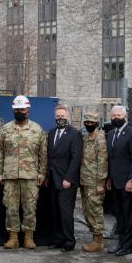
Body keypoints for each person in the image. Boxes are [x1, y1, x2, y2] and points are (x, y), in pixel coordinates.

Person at [0, 95, 46, 250]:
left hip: (31, 176)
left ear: (28, 110)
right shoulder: (5, 129)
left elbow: (43, 154)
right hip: (10, 176)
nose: (19, 112)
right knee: (11, 208)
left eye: (22, 109)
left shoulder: (37, 130)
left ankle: (29, 238)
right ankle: (13, 238)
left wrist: (42, 174)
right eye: (16, 110)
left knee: (30, 207)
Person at [46, 105, 82, 252]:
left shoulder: (75, 134)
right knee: (55, 211)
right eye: (58, 116)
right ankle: (58, 239)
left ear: (68, 117)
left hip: (66, 180)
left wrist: (69, 178)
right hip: (53, 179)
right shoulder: (52, 132)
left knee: (65, 212)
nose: (60, 118)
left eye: (63, 116)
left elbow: (76, 158)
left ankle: (69, 241)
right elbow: (50, 156)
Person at [106, 105, 132, 257]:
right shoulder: (111, 133)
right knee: (119, 214)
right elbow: (111, 159)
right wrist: (109, 178)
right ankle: (121, 243)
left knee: (128, 215)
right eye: (113, 115)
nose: (116, 118)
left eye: (119, 115)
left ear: (125, 117)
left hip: (127, 182)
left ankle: (129, 245)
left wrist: (131, 179)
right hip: (115, 181)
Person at [79, 112, 108, 253]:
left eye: (92, 122)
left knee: (95, 210)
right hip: (85, 180)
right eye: (87, 122)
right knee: (87, 211)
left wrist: (100, 183)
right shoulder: (86, 138)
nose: (89, 124)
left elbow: (103, 162)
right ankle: (94, 238)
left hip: (95, 182)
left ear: (97, 123)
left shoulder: (100, 138)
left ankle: (99, 241)